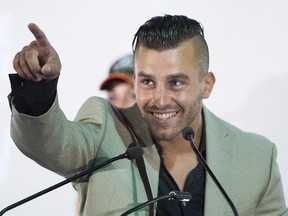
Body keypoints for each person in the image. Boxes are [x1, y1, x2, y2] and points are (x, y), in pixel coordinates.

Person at [8, 14, 287, 216]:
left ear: (207, 85)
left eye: (176, 82)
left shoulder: (257, 157)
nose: (160, 100)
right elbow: (49, 144)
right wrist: (38, 89)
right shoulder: (107, 124)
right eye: (148, 82)